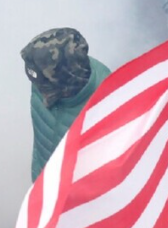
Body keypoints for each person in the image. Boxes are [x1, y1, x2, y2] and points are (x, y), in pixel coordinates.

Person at [20, 28, 111, 182]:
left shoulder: (106, 104)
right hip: (42, 185)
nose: (36, 83)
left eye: (42, 79)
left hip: (77, 198)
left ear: (62, 78)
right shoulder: (41, 77)